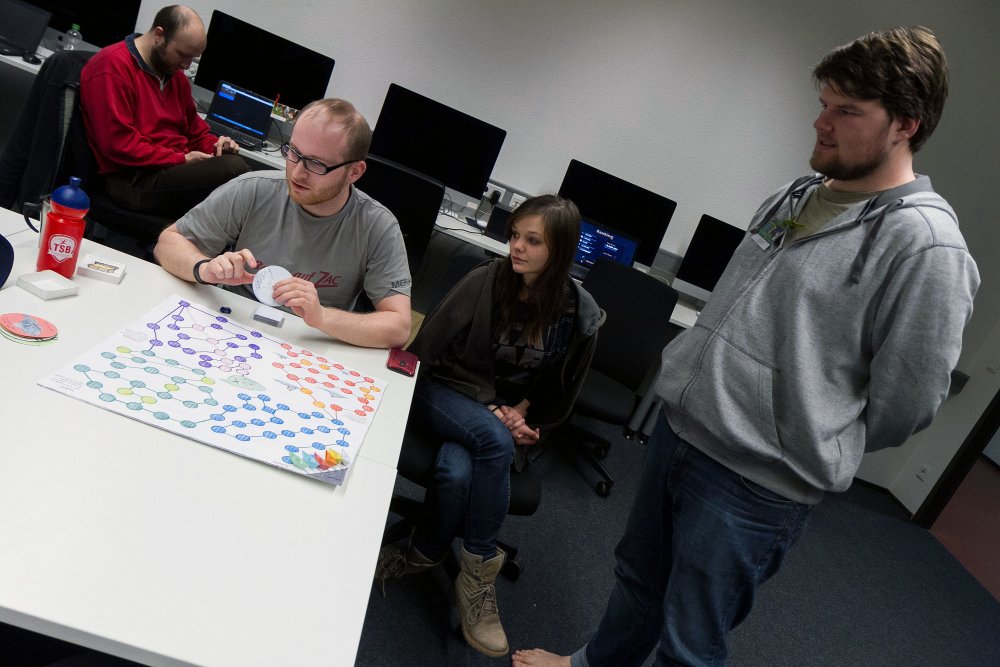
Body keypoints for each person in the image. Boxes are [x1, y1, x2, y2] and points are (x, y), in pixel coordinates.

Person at [513, 26, 979, 667]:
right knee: (639, 582)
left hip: (756, 480)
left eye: (847, 111)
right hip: (681, 431)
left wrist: (802, 426)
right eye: (824, 102)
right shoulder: (799, 195)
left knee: (690, 642)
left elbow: (908, 402)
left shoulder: (925, 247)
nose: (821, 123)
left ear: (906, 124)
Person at [375, 195, 603, 658]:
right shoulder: (485, 282)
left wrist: (526, 415)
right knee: (490, 437)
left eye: (532, 240)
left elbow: (559, 389)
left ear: (559, 251)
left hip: (502, 422)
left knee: (458, 472)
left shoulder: (577, 312)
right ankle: (479, 580)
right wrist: (490, 409)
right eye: (515, 234)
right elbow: (427, 351)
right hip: (447, 393)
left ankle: (424, 552)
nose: (516, 247)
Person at [153, 98, 412, 349]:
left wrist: (322, 316)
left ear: (354, 172)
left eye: (316, 164)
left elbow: (398, 327)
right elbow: (168, 243)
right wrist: (204, 268)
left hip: (310, 342)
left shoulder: (378, 226)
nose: (298, 172)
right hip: (230, 325)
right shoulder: (253, 189)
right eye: (294, 153)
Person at [79, 5, 251, 217]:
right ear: (159, 35)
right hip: (131, 179)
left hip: (168, 169)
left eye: (193, 59)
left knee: (246, 179)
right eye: (182, 55)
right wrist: (181, 159)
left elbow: (196, 134)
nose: (187, 66)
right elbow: (118, 146)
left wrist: (217, 146)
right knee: (235, 172)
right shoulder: (112, 66)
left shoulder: (175, 77)